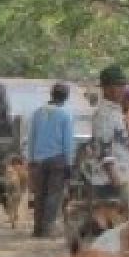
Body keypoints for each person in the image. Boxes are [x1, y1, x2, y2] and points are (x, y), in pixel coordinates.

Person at [26, 82, 77, 239]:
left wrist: (31, 159)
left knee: (40, 194)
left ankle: (37, 228)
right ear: (66, 97)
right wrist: (69, 163)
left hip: (39, 160)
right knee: (54, 194)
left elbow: (32, 137)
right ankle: (48, 228)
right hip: (58, 159)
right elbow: (68, 142)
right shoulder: (65, 115)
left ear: (51, 94)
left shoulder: (38, 113)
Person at [85, 65, 129, 200]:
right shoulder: (104, 114)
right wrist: (115, 179)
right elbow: (104, 149)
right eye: (118, 85)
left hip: (123, 177)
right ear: (106, 88)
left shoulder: (116, 111)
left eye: (123, 85)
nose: (122, 89)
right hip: (109, 181)